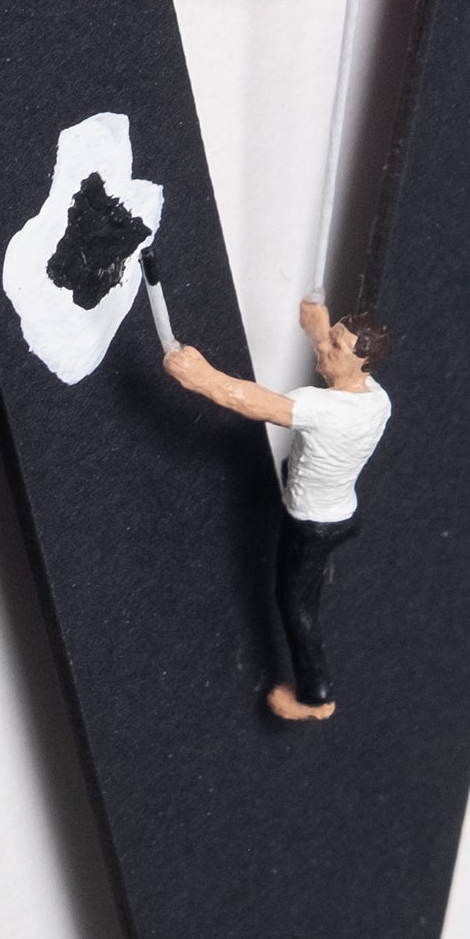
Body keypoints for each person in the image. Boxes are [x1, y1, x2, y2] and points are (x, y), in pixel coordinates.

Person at [164, 298, 392, 722]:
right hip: (341, 509)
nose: (326, 347)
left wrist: (203, 378)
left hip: (312, 524)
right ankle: (319, 570)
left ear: (361, 362)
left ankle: (315, 694)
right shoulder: (377, 399)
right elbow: (336, 364)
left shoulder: (320, 407)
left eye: (336, 345)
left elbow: (253, 402)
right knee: (293, 472)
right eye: (332, 338)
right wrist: (319, 328)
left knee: (296, 605)